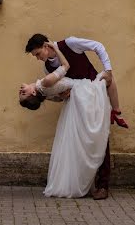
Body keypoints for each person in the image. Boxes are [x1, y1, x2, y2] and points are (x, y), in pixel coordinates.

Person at [18, 41, 111, 198]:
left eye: (38, 54)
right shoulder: (47, 69)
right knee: (77, 144)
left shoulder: (70, 44)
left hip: (92, 96)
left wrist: (108, 69)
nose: (38, 58)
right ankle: (83, 182)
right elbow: (56, 92)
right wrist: (61, 96)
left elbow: (97, 46)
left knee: (100, 138)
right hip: (74, 107)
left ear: (46, 46)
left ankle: (103, 185)